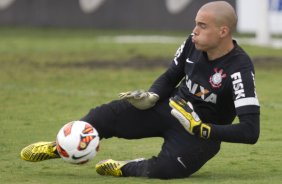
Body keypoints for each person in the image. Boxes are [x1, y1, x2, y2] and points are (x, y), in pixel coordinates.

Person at [20, 1, 260, 179]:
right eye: (195, 24)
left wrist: (203, 129)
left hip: (200, 133)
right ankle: (62, 146)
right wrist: (153, 95)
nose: (194, 30)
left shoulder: (239, 68)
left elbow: (251, 132)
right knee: (104, 115)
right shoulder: (192, 43)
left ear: (223, 32)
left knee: (167, 170)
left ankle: (125, 167)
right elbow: (170, 77)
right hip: (170, 108)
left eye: (202, 26)